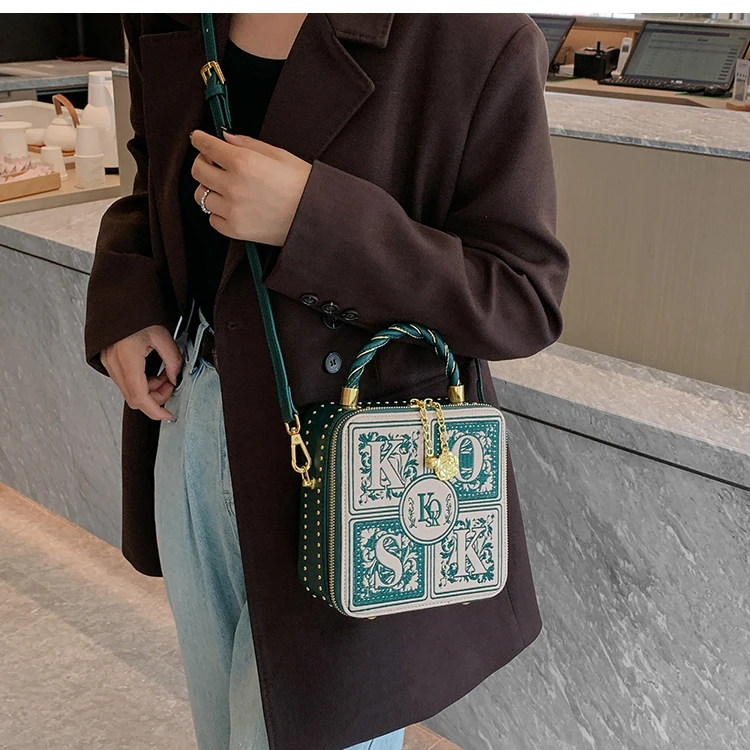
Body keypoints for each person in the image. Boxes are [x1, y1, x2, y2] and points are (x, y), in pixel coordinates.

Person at [84, 12, 569, 750]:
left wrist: (313, 219)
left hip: (357, 475)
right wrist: (129, 295)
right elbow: (152, 172)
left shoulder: (473, 35)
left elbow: (521, 296)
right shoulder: (172, 12)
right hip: (192, 418)